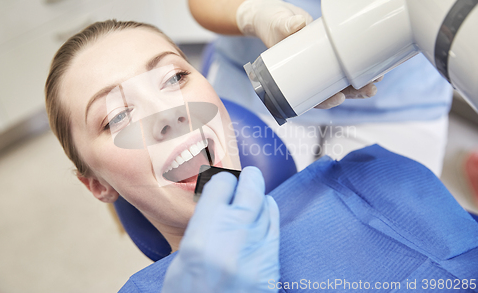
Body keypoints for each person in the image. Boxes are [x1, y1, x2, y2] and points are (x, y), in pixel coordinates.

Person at [45, 20, 477, 293]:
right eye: (117, 116)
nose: (168, 115)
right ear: (97, 183)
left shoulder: (372, 178)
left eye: (175, 77)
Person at [186, 0, 453, 176]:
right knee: (225, 207)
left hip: (403, 90)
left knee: (384, 233)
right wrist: (255, 14)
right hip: (263, 74)